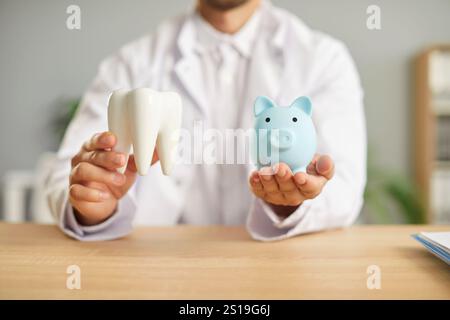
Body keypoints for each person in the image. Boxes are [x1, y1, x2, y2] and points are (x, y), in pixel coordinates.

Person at [45, 0, 366, 241]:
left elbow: (345, 189)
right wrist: (94, 205)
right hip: (152, 271)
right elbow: (67, 175)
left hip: (275, 270)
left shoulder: (322, 59)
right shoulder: (131, 64)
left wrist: (289, 204)